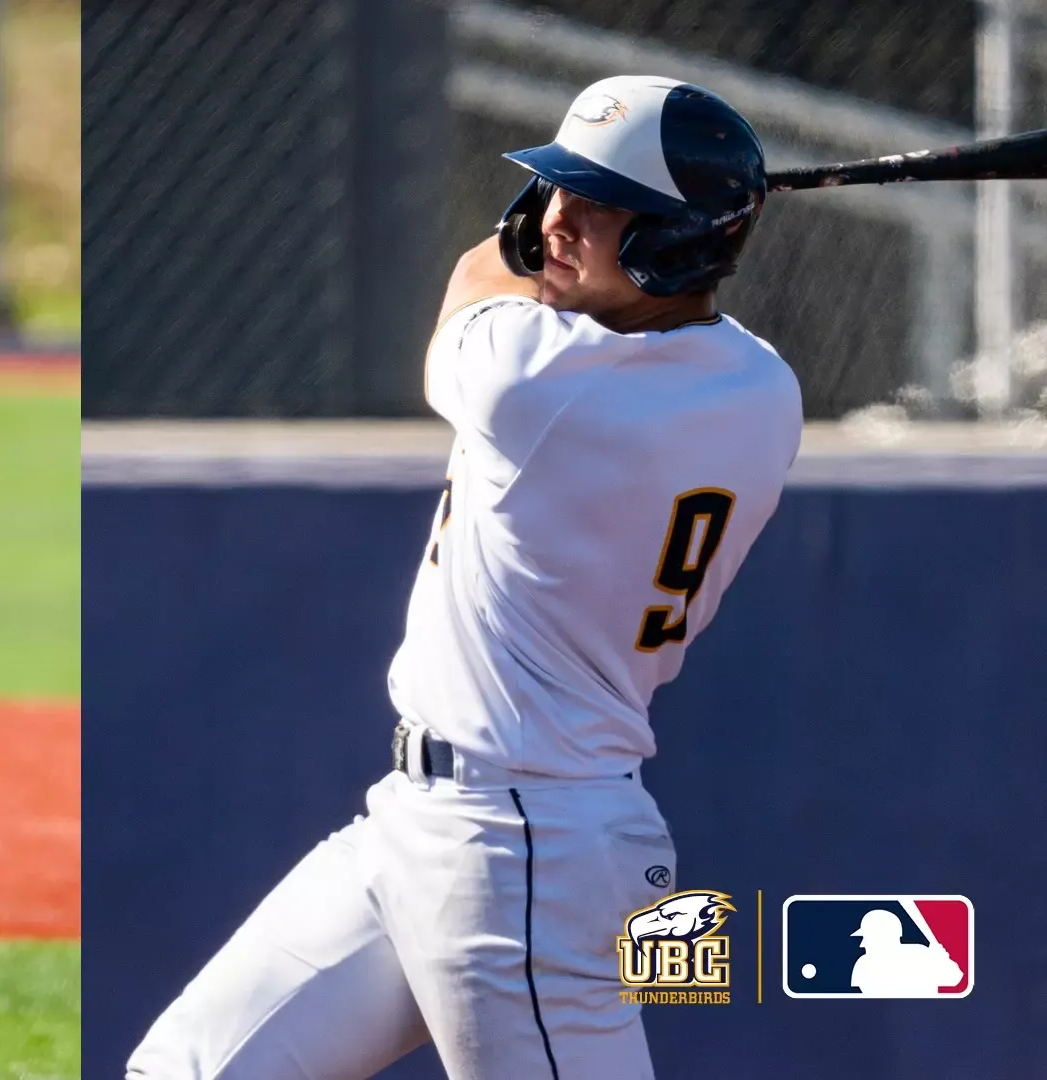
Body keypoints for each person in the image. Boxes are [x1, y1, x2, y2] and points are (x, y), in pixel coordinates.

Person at [126, 75, 803, 1080]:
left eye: (597, 206)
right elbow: (646, 323)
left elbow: (477, 273)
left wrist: (521, 234)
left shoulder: (534, 381)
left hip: (524, 845)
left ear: (678, 245)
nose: (557, 219)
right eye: (553, 193)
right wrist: (655, 221)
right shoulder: (763, 386)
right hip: (437, 821)